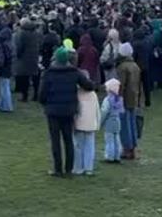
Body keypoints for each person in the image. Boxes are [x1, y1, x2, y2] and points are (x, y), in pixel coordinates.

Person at [38, 47, 95, 178]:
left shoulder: (49, 73)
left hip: (52, 111)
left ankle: (58, 169)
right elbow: (88, 85)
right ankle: (69, 169)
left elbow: (42, 95)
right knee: (68, 139)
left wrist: (46, 104)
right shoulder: (74, 72)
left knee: (55, 140)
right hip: (69, 110)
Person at [116, 42, 142, 159]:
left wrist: (117, 98)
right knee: (132, 123)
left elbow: (121, 85)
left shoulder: (122, 67)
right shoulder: (135, 66)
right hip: (134, 97)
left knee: (125, 125)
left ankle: (127, 148)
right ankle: (133, 147)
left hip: (125, 98)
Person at [72, 73, 99, 176]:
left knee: (78, 146)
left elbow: (76, 110)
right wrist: (97, 122)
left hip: (79, 124)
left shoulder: (77, 93)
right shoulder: (93, 94)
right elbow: (97, 110)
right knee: (90, 145)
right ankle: (89, 168)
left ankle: (78, 168)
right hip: (91, 124)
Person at [13, 18, 41, 103]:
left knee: (24, 78)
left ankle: (25, 96)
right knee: (35, 76)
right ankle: (36, 94)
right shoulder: (36, 33)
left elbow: (19, 47)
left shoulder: (22, 34)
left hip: (24, 58)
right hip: (34, 56)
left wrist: (18, 55)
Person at [100, 78, 124, 163]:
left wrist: (100, 122)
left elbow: (104, 111)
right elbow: (121, 111)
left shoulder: (107, 100)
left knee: (109, 140)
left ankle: (109, 156)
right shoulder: (119, 99)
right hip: (117, 122)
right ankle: (117, 156)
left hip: (109, 123)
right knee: (117, 139)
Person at [0, 27, 15, 112]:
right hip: (9, 67)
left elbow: (4, 57)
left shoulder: (4, 45)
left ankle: (7, 106)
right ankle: (3, 104)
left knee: (4, 87)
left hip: (4, 68)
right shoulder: (11, 44)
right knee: (5, 86)